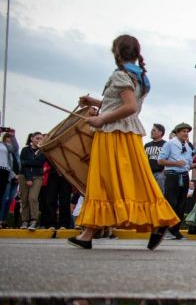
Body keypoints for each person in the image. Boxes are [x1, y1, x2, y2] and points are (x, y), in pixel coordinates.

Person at [67, 35, 179, 250]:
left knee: (103, 180)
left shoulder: (120, 75)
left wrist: (100, 118)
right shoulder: (140, 77)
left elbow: (129, 107)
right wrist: (95, 102)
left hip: (112, 133)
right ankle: (89, 233)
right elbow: (120, 104)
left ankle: (88, 233)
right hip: (127, 134)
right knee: (135, 181)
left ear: (116, 53)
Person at [158, 122, 196, 240]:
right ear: (177, 132)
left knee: (181, 205)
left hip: (184, 176)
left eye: (187, 132)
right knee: (171, 203)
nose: (186, 134)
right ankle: (166, 230)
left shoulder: (188, 147)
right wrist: (175, 163)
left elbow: (188, 164)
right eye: (183, 131)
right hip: (172, 176)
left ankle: (175, 231)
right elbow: (160, 161)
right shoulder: (170, 144)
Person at [18, 132, 45, 230]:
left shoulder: (42, 151)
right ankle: (25, 221)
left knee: (33, 198)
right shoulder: (25, 150)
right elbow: (23, 164)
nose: (39, 140)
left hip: (37, 176)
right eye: (37, 138)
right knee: (24, 199)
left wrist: (28, 163)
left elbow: (40, 163)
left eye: (41, 139)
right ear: (32, 139)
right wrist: (28, 178)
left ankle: (34, 221)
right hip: (24, 176)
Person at [144, 123, 166, 191]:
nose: (151, 131)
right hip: (147, 173)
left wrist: (163, 173)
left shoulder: (166, 144)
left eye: (154, 130)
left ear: (160, 132)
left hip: (159, 174)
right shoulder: (147, 145)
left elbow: (169, 158)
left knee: (159, 194)